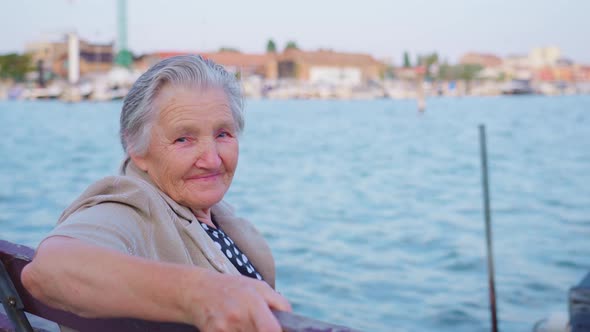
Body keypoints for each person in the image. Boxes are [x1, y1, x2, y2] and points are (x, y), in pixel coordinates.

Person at [21, 55, 292, 332]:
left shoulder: (215, 217)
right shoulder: (132, 205)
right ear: (136, 148)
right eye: (183, 139)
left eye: (223, 134)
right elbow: (50, 270)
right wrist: (198, 293)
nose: (211, 159)